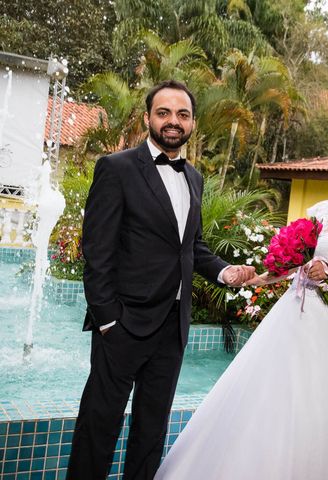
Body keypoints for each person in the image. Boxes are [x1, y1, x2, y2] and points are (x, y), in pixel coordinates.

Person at [155, 140, 328, 480]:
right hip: (292, 316)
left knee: (319, 407)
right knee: (267, 398)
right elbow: (293, 263)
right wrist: (251, 280)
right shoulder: (320, 211)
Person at [66, 80, 257, 480]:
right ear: (148, 117)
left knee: (151, 431)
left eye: (182, 114)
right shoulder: (115, 168)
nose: (173, 121)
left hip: (172, 327)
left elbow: (192, 246)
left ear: (192, 123)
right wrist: (107, 321)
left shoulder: (195, 179)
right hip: (122, 325)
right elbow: (97, 253)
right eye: (164, 113)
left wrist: (225, 271)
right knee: (98, 427)